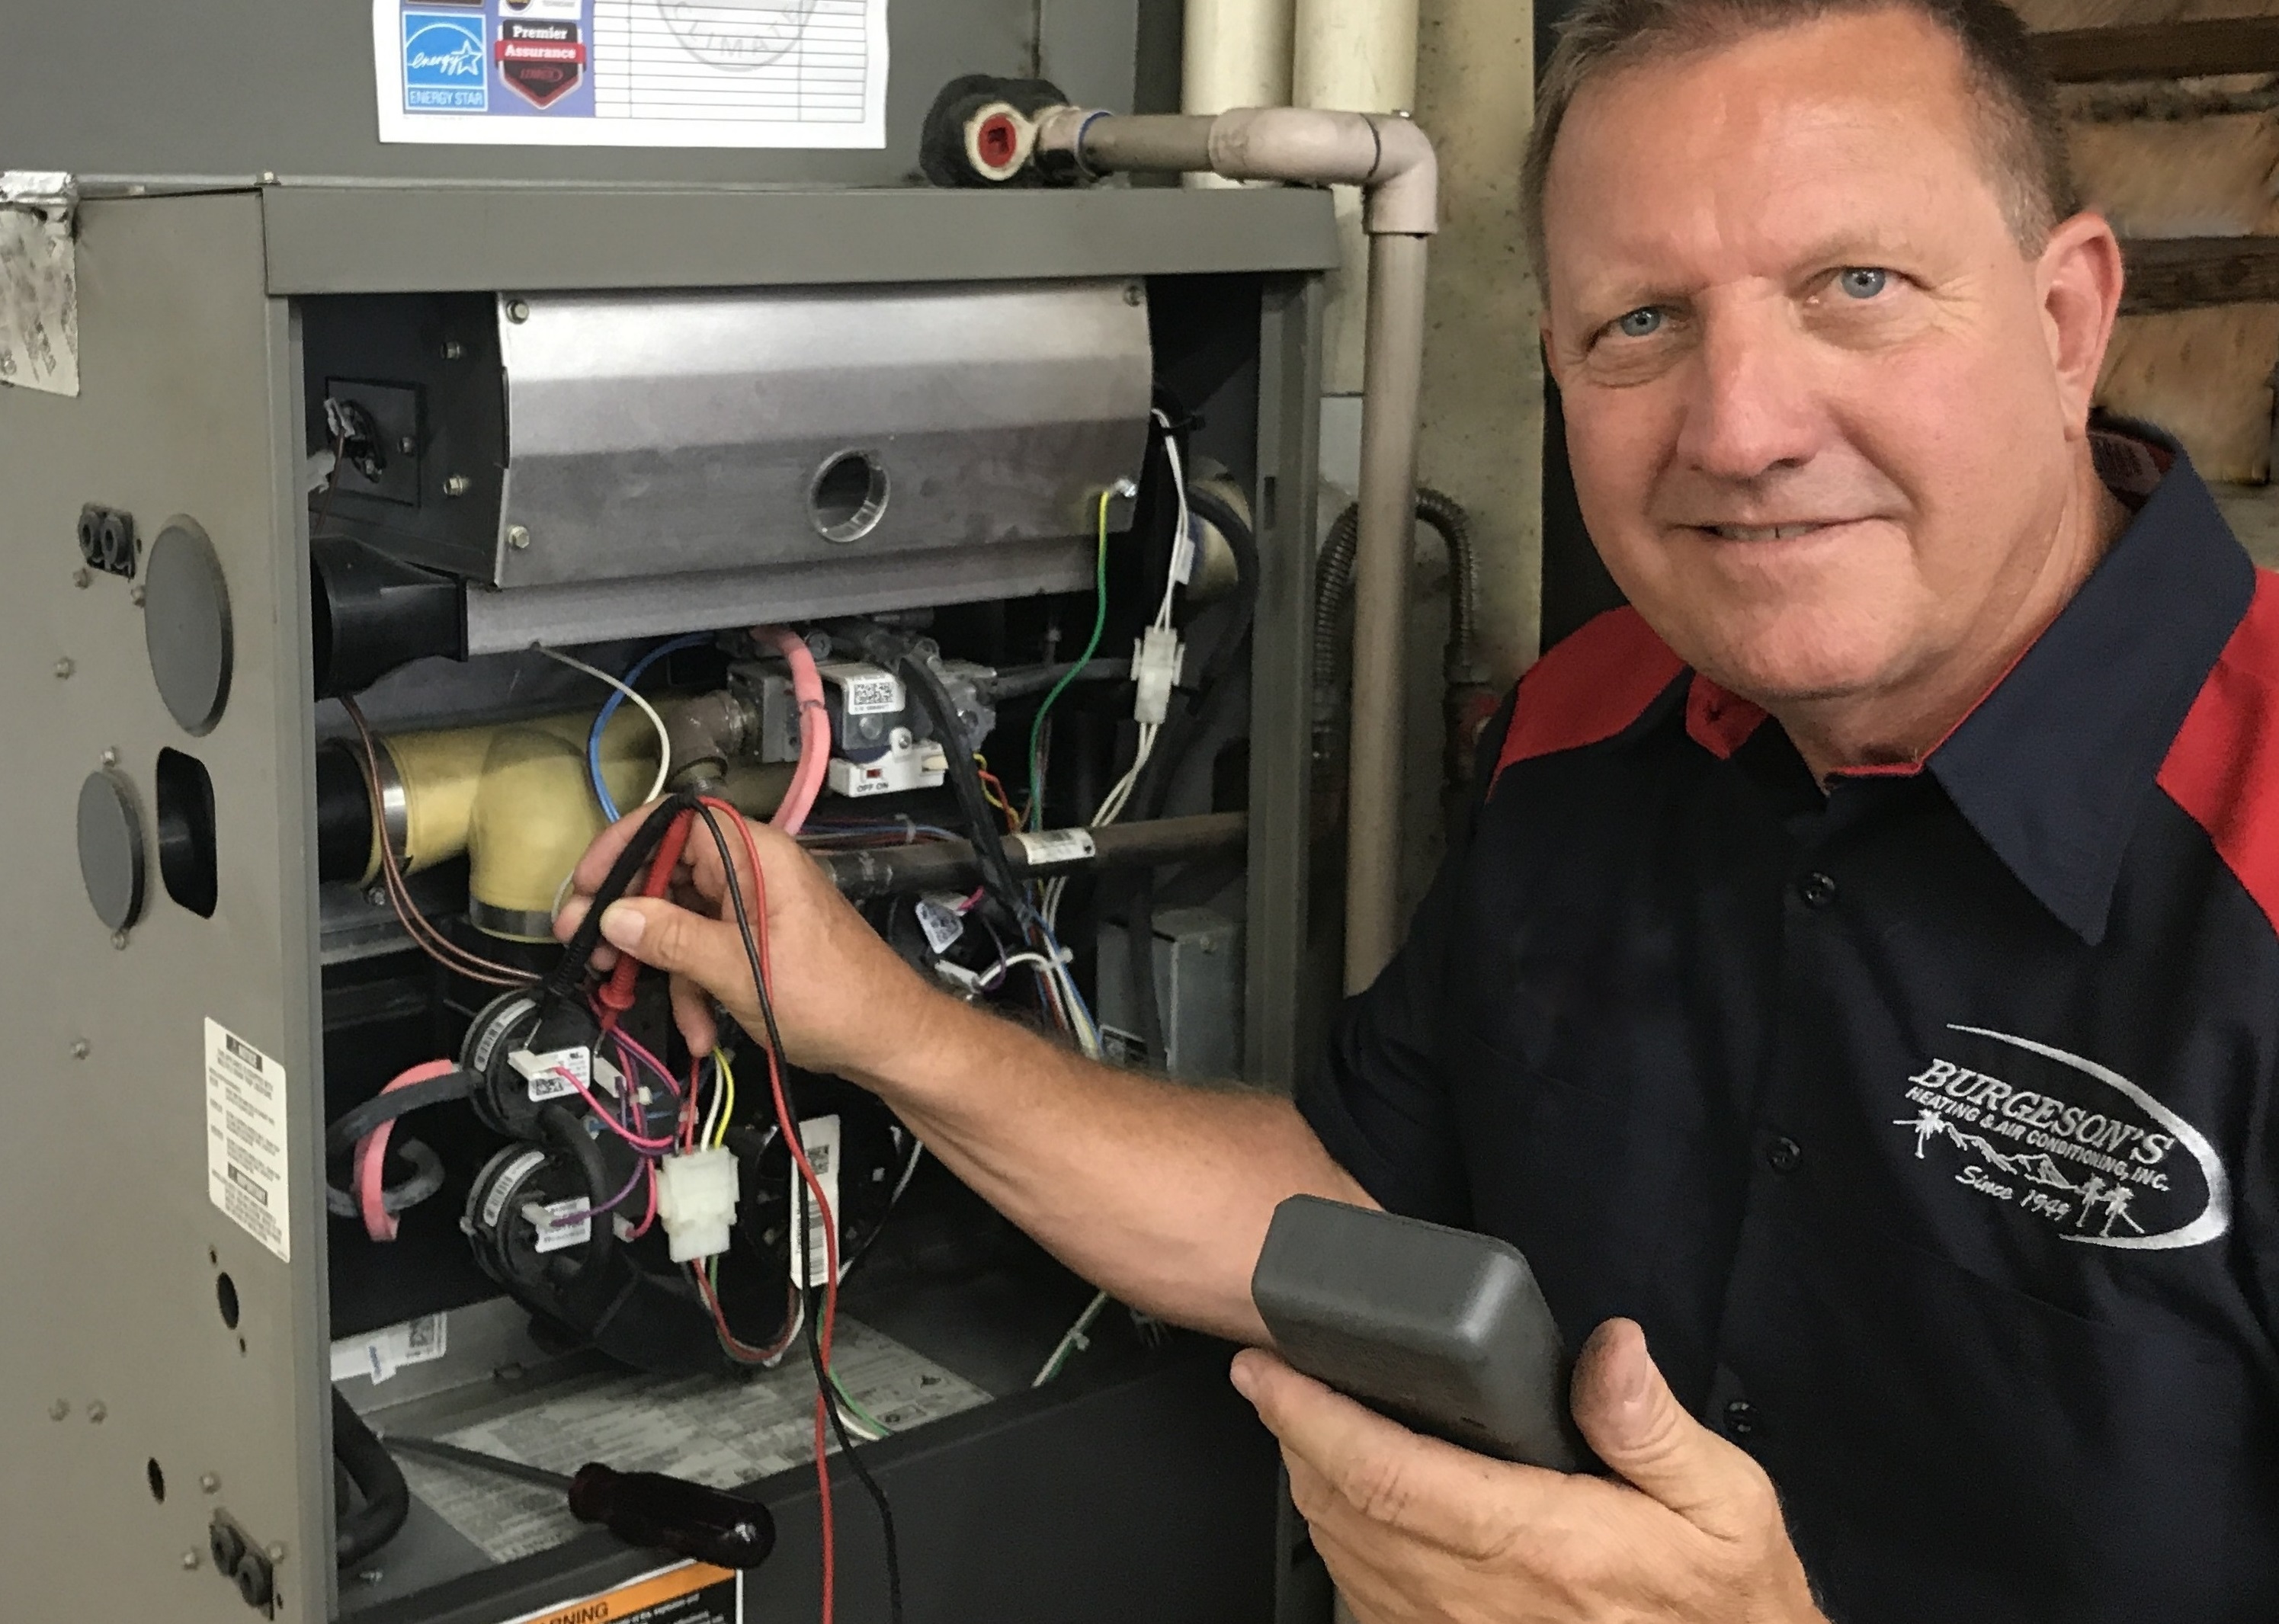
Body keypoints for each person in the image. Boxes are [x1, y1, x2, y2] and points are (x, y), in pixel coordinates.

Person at [557, 0, 2279, 1616]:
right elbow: (1338, 1211)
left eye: (1856, 283)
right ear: (1556, 364)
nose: (1739, 426)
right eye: (1642, 324)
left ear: (2067, 319)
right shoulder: (1586, 726)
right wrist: (878, 1018)